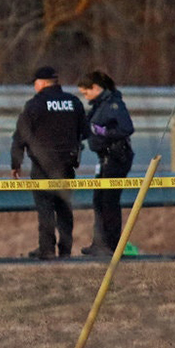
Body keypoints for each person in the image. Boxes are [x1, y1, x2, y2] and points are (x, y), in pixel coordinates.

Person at [11, 66, 89, 260]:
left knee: (45, 208)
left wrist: (16, 163)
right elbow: (85, 132)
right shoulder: (74, 102)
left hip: (42, 164)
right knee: (64, 207)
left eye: (36, 82)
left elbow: (20, 136)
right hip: (67, 164)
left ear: (43, 82)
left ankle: (46, 249)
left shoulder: (34, 105)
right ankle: (65, 249)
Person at [77, 70, 134, 256]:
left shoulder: (113, 104)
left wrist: (104, 133)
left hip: (116, 158)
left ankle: (111, 245)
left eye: (86, 92)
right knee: (99, 200)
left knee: (109, 202)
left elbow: (127, 128)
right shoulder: (98, 106)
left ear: (95, 88)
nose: (85, 97)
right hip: (104, 159)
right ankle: (100, 243)